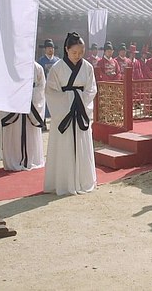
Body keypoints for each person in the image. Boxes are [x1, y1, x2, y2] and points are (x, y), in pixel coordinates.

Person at [43, 32, 98, 196]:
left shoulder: (87, 67)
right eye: (74, 52)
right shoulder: (57, 68)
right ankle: (64, 182)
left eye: (81, 52)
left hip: (80, 111)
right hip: (64, 114)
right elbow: (51, 92)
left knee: (81, 144)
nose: (78, 55)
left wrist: (77, 100)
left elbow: (91, 90)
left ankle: (83, 180)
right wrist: (70, 100)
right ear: (66, 49)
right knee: (64, 146)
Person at [0, 62, 46, 171]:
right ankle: (14, 159)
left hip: (31, 108)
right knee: (14, 133)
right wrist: (19, 94)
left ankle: (31, 159)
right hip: (15, 107)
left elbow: (41, 87)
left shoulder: (37, 67)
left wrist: (29, 94)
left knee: (30, 134)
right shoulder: (9, 65)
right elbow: (3, 86)